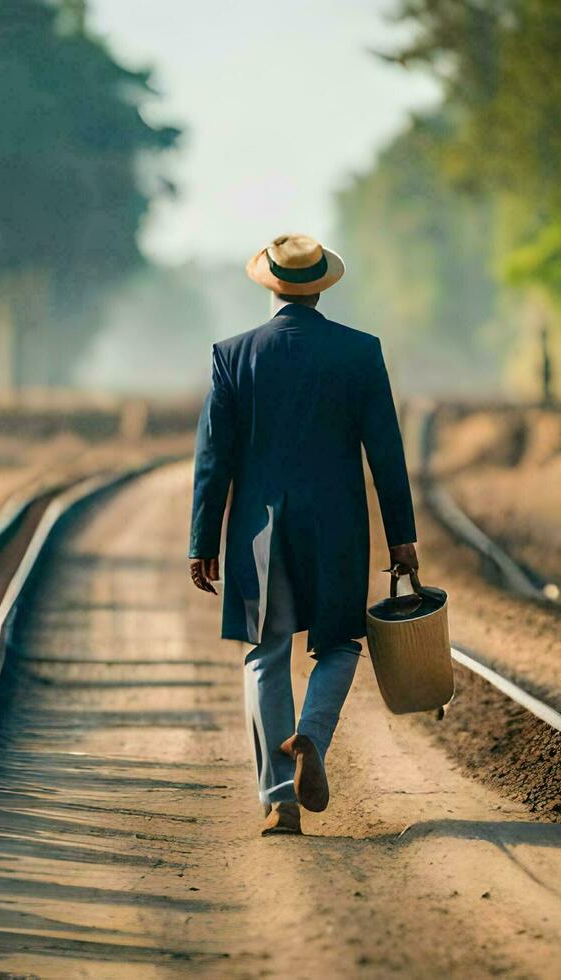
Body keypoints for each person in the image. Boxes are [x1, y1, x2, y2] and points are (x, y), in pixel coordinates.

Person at [188, 233, 419, 835]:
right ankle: (311, 737)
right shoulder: (360, 352)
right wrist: (401, 536)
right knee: (339, 645)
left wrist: (202, 542)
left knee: (265, 653)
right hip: (338, 527)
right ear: (321, 287)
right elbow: (386, 454)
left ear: (269, 286)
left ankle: (279, 797)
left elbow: (214, 460)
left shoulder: (233, 355)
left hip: (259, 531)